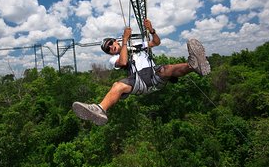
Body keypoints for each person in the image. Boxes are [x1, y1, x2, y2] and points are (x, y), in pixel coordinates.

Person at [72, 19, 211, 125]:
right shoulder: (114, 59)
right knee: (117, 86)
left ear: (115, 41)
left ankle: (193, 66)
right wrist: (125, 41)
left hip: (154, 74)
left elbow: (156, 42)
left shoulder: (137, 46)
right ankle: (100, 110)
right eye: (108, 49)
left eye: (110, 44)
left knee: (166, 69)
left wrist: (151, 30)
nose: (111, 48)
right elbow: (124, 62)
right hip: (139, 81)